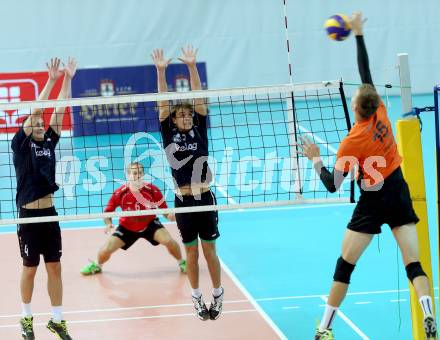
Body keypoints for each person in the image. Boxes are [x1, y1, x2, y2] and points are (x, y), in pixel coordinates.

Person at [299, 13, 437, 340]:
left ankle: (324, 329)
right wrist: (359, 34)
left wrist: (316, 160)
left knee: (344, 266)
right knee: (413, 264)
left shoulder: (352, 141)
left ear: (358, 107)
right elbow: (366, 71)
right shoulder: (381, 113)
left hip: (372, 202)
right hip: (398, 189)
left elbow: (333, 185)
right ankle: (430, 314)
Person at [151, 46, 224, 321]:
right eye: (182, 115)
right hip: (183, 201)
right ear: (173, 118)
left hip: (205, 198)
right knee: (191, 255)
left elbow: (198, 99)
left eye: (189, 115)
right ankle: (196, 297)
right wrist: (161, 71)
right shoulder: (168, 132)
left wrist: (192, 66)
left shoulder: (199, 128)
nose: (187, 117)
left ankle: (217, 293)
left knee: (210, 251)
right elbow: (162, 103)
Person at [12, 57, 76, 340]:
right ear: (28, 124)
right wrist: (50, 79)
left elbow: (59, 109)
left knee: (55, 267)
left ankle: (57, 320)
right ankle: (26, 318)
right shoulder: (21, 144)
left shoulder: (49, 140)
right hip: (28, 215)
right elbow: (38, 109)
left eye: (41, 122)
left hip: (50, 214)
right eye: (34, 121)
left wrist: (68, 79)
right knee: (30, 269)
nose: (39, 123)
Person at [80, 162, 187, 275]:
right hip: (127, 226)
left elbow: (165, 211)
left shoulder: (152, 190)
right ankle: (97, 266)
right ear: (128, 175)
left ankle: (182, 263)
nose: (138, 176)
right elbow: (107, 213)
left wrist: (170, 216)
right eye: (135, 173)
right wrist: (108, 224)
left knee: (169, 241)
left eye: (140, 173)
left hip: (150, 223)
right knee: (106, 249)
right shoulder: (120, 193)